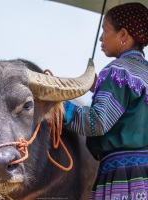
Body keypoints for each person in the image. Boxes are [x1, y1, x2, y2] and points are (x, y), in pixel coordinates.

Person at [63, 2, 148, 200]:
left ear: (123, 35)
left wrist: (60, 108)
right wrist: (99, 88)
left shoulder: (117, 71)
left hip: (122, 175)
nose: (101, 38)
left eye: (105, 30)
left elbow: (98, 121)